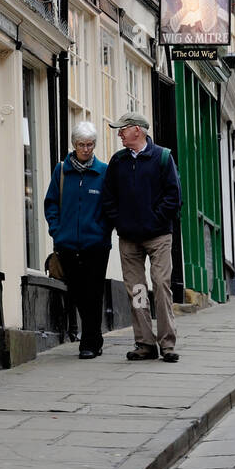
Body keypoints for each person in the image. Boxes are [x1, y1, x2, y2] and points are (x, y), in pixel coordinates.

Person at [101, 112, 182, 362]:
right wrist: (120, 222)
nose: (119, 134)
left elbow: (174, 197)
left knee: (160, 285)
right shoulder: (118, 161)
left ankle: (167, 343)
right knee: (136, 289)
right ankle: (145, 343)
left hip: (158, 236)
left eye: (122, 129)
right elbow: (108, 197)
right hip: (129, 239)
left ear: (137, 130)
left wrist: (153, 219)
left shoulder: (163, 157)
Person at [44, 123, 110, 359]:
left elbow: (110, 207)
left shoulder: (103, 171)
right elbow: (51, 202)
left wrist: (103, 231)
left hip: (97, 245)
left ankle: (90, 342)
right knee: (78, 292)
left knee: (93, 293)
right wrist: (57, 231)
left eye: (90, 144)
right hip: (68, 244)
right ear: (74, 144)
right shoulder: (61, 171)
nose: (86, 149)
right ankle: (94, 337)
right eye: (81, 144)